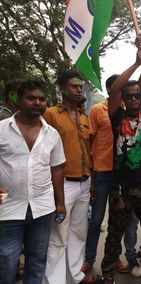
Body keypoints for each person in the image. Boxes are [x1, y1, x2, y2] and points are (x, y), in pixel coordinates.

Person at [100, 34, 141, 284]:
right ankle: (107, 274)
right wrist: (136, 64)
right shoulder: (117, 116)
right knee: (114, 234)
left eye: (138, 95)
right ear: (124, 100)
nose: (135, 99)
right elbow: (116, 88)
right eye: (131, 96)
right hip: (122, 188)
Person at [0, 79, 66, 284]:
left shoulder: (52, 134)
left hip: (42, 208)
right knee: (7, 261)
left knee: (37, 260)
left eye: (41, 99)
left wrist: (60, 203)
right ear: (18, 100)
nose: (37, 102)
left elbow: (57, 169)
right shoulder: (2, 129)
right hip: (8, 207)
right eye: (31, 98)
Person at [82, 76, 141, 283]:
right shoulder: (98, 110)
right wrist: (90, 173)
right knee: (96, 220)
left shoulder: (127, 113)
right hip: (102, 173)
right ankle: (88, 262)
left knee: (120, 221)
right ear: (110, 90)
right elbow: (89, 140)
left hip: (122, 175)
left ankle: (116, 258)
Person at [43, 70, 92, 284]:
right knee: (58, 235)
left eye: (80, 86)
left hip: (84, 182)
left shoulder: (84, 116)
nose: (79, 89)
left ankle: (76, 276)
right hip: (62, 183)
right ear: (62, 89)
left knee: (78, 233)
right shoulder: (51, 114)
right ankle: (54, 281)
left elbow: (88, 148)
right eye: (74, 86)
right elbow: (44, 151)